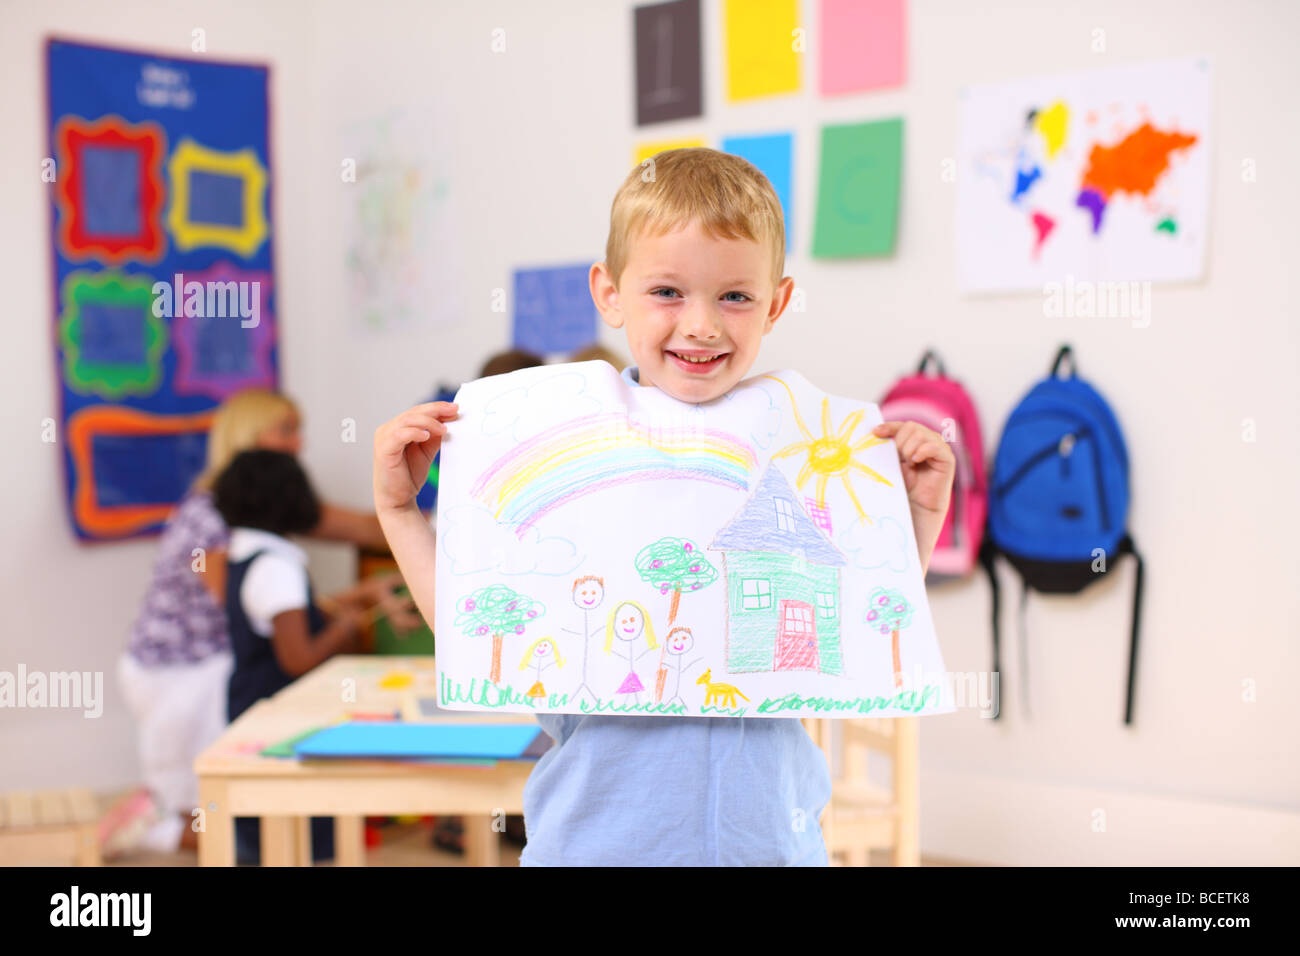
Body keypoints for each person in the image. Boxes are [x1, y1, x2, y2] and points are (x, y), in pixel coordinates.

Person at [371, 147, 955, 865]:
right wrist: (400, 513)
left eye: (735, 297)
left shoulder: (796, 446)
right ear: (610, 293)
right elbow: (473, 628)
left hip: (768, 847)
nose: (702, 325)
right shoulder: (563, 441)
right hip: (594, 848)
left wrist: (919, 517)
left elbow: (854, 614)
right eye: (668, 292)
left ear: (775, 302)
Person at [107, 389, 397, 858]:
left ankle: (165, 825)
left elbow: (359, 533)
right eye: (286, 429)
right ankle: (149, 826)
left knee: (223, 803)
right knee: (210, 806)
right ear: (247, 436)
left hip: (216, 664)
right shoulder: (214, 515)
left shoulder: (260, 508)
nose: (299, 443)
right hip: (181, 671)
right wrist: (346, 618)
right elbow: (255, 609)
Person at [213, 449, 413, 864]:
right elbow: (298, 660)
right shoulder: (277, 568)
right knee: (296, 832)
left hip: (250, 708)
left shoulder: (245, 555)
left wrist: (357, 598)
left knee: (262, 830)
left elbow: (293, 615)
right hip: (281, 719)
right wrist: (346, 628)